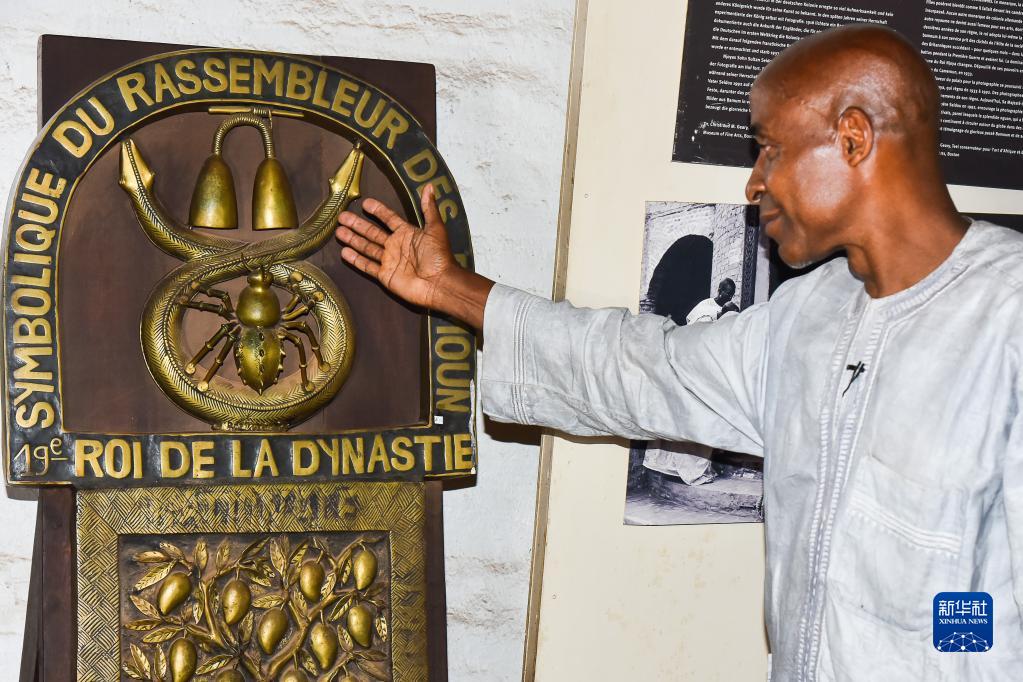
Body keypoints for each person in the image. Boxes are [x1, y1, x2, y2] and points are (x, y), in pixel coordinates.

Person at [336, 24, 1023, 682]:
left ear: (852, 138)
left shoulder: (1007, 316)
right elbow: (641, 368)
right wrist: (451, 289)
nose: (754, 184)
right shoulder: (807, 316)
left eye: (769, 149)